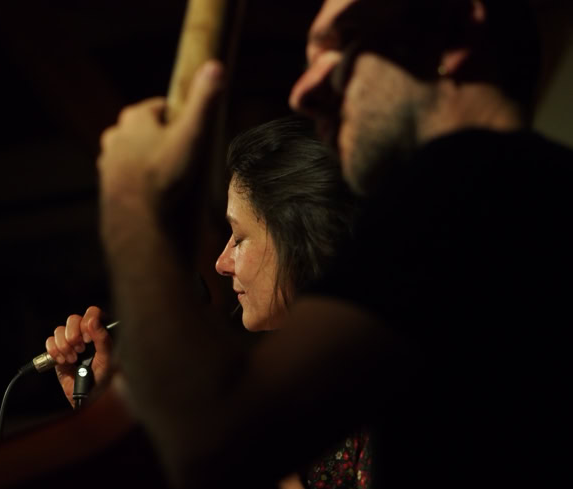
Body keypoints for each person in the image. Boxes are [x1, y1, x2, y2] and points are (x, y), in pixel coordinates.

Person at [96, 1, 573, 488]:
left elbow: (215, 444)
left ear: (451, 36)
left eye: (340, 44)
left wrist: (130, 197)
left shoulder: (470, 184)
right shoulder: (516, 194)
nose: (303, 91)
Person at [45, 117, 370, 489]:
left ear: (296, 236)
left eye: (239, 237)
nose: (221, 263)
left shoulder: (380, 384)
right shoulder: (303, 390)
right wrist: (109, 416)